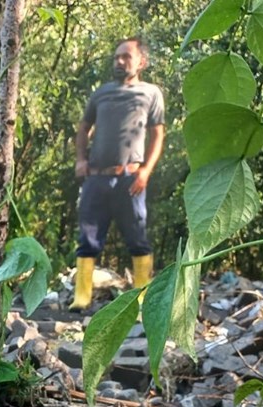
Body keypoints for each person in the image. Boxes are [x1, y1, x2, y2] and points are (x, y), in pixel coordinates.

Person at [71, 37, 165, 311]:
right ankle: (82, 298)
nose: (120, 61)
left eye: (126, 56)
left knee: (137, 236)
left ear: (141, 62)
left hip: (130, 178)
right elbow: (83, 128)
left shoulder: (150, 93)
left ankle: (141, 300)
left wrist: (146, 171)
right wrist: (80, 160)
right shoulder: (101, 93)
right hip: (97, 178)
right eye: (116, 57)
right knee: (87, 238)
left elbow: (158, 134)